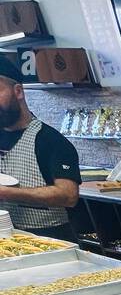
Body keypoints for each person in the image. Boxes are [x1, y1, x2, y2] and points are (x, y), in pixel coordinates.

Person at [0, 55, 80, 239]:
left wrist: (6, 193)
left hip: (48, 237)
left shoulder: (50, 141)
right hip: (5, 239)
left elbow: (68, 195)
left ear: (18, 92)